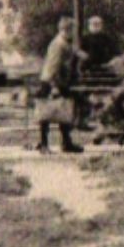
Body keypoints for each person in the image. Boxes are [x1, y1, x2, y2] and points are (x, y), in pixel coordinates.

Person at [34, 16, 82, 154]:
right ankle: (43, 144)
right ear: (66, 29)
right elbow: (52, 66)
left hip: (61, 82)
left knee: (65, 113)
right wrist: (53, 86)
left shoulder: (65, 44)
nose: (74, 33)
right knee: (46, 114)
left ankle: (66, 142)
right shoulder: (58, 44)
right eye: (73, 29)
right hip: (52, 82)